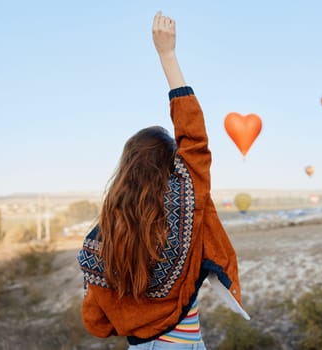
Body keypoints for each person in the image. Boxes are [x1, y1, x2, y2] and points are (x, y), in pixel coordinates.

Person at [77, 11, 248, 349]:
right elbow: (194, 138)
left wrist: (130, 315)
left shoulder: (103, 240)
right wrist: (167, 55)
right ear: (169, 166)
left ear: (127, 168)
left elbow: (95, 322)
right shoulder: (186, 200)